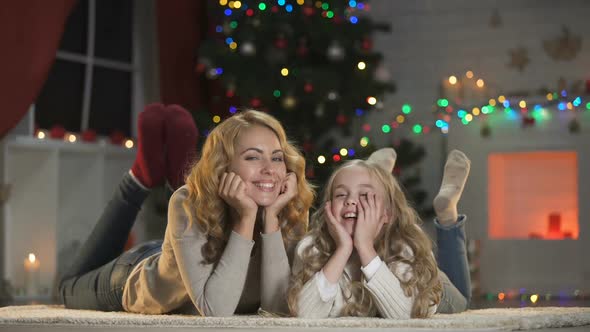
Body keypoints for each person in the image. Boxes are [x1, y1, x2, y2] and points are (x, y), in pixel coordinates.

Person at [59, 105, 315, 317]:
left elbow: (277, 310)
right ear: (223, 167)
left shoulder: (288, 205)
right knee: (67, 288)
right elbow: (216, 312)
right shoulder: (187, 203)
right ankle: (139, 177)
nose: (270, 169)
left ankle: (175, 174)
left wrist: (270, 220)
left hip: (181, 246)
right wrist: (247, 218)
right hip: (138, 275)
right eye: (253, 157)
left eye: (277, 157)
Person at [287, 148, 471, 318]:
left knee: (463, 300)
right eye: (341, 195)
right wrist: (343, 249)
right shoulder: (311, 247)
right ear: (328, 208)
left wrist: (365, 247)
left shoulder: (404, 247)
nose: (350, 201)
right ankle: (374, 178)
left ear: (387, 215)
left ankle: (448, 214)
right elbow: (303, 316)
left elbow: (406, 316)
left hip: (427, 281)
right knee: (370, 184)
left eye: (364, 196)